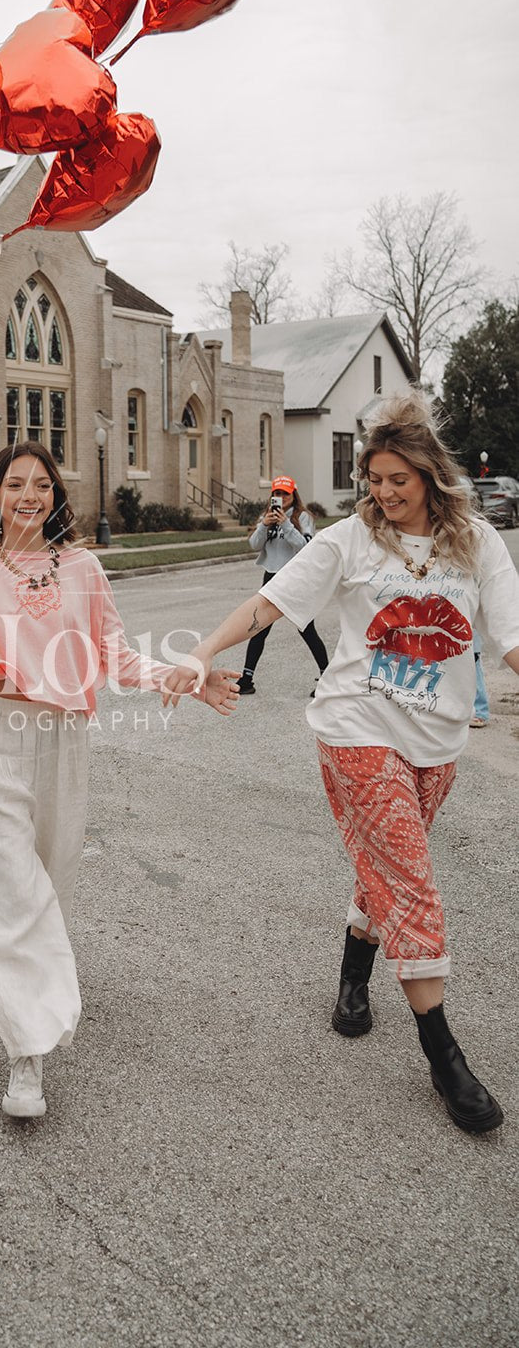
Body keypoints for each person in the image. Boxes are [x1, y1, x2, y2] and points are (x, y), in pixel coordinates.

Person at [171, 391, 519, 1134]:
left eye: (398, 479)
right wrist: (199, 653)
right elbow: (268, 606)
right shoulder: (347, 541)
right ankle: (444, 1058)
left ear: (428, 474)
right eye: (375, 479)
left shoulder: (477, 544)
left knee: (385, 867)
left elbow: (512, 634)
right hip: (354, 728)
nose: (384, 493)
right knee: (411, 881)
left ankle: (352, 976)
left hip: (437, 743)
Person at [0, 441, 239, 1119]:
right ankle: (25, 1056)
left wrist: (180, 679)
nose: (28, 496)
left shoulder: (83, 568)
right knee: (13, 887)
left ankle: (29, 990)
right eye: (14, 485)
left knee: (48, 882)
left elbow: (112, 654)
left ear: (56, 497)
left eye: (40, 484)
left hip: (63, 741)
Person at [237, 475, 329, 697]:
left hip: (295, 579)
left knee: (306, 629)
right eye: (276, 494)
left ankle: (328, 678)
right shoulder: (267, 516)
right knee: (258, 628)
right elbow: (253, 545)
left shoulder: (304, 517)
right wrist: (263, 525)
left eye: (285, 494)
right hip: (272, 577)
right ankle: (246, 679)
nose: (280, 498)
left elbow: (305, 547)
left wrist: (286, 525)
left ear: (293, 495)